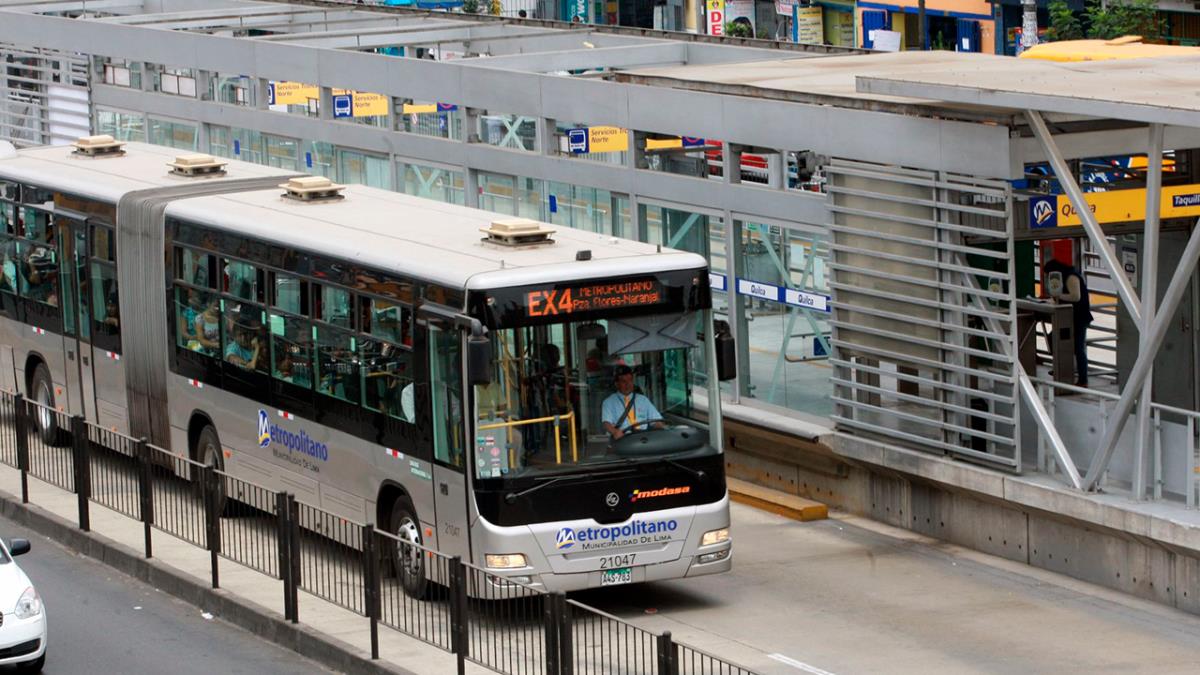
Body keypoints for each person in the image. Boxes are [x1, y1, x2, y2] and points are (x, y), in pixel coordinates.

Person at [1044, 258, 1094, 386]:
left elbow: (1075, 296)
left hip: (1079, 317)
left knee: (1078, 347)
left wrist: (1058, 296)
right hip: (1068, 316)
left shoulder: (1071, 277)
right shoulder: (1064, 277)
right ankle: (1062, 368)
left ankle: (1083, 379)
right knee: (1054, 338)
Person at [601, 365, 664, 440]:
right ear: (617, 384)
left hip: (643, 439)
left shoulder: (643, 400)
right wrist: (614, 432)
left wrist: (660, 426)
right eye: (623, 381)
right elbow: (606, 423)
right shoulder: (608, 402)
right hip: (623, 439)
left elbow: (656, 420)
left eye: (630, 380)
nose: (628, 384)